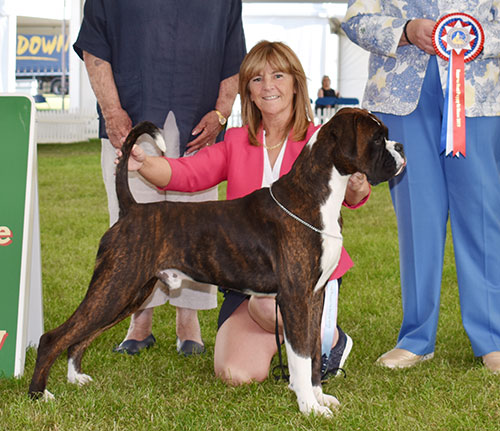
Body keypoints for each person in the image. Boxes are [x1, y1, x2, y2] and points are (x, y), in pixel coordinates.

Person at [73, 0, 246, 357]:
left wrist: (222, 110)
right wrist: (111, 111)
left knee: (195, 221)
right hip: (135, 116)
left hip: (198, 121)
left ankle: (189, 324)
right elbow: (95, 43)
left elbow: (233, 47)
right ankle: (138, 321)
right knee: (135, 219)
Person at [119, 40, 371, 384]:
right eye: (256, 79)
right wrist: (144, 163)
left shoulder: (320, 137)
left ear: (296, 83)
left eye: (278, 75)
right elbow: (187, 174)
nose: (268, 86)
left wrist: (356, 183)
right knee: (236, 373)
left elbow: (355, 196)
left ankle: (327, 340)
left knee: (273, 304)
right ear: (248, 93)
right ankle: (289, 338)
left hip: (305, 276)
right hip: (249, 283)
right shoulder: (237, 140)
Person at [342, 0, 500, 373]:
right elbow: (357, 19)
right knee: (418, 217)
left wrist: (474, 36)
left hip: (477, 100)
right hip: (403, 99)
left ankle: (491, 339)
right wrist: (407, 29)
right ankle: (416, 336)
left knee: (481, 216)